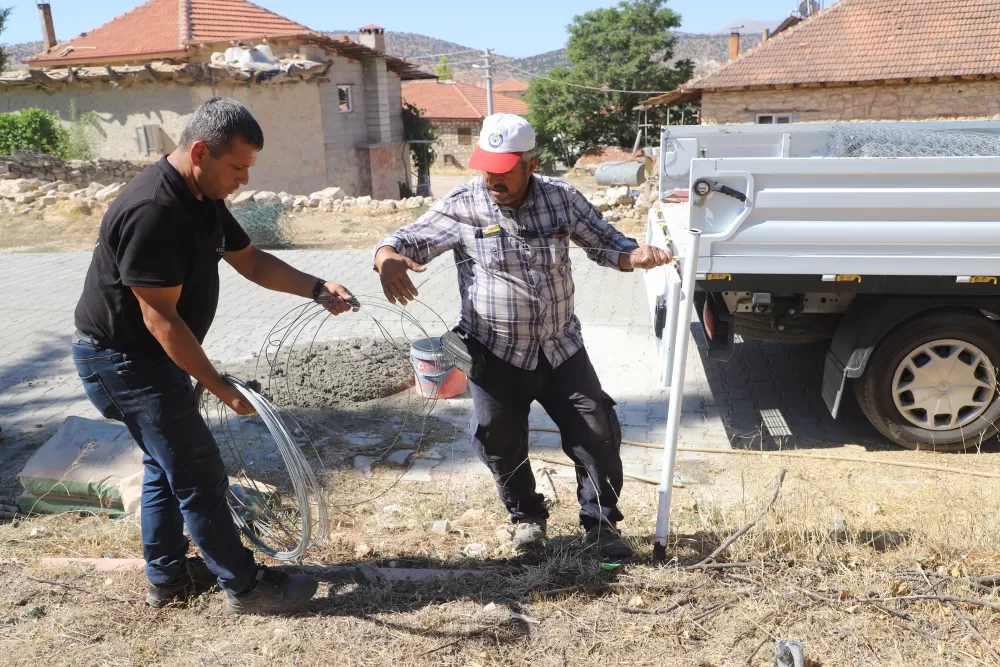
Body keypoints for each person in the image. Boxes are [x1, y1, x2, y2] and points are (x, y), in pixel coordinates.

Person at [71, 97, 357, 613]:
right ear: (200, 151)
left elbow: (251, 262)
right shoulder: (154, 210)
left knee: (167, 465)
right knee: (199, 470)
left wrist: (315, 287)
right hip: (123, 363)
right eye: (237, 167)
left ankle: (170, 577)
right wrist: (223, 388)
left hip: (151, 359)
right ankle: (246, 588)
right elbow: (161, 320)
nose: (243, 180)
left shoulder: (201, 197)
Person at [373, 114, 672, 558]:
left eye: (503, 167)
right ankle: (527, 519)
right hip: (492, 352)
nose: (492, 176)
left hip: (561, 348)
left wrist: (635, 256)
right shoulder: (462, 204)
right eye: (486, 166)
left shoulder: (562, 198)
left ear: (530, 164)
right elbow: (403, 240)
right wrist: (387, 259)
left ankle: (601, 523)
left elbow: (606, 243)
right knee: (499, 438)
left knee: (596, 432)